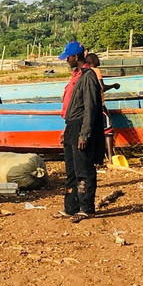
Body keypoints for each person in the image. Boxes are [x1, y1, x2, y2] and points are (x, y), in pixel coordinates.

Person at [57, 41, 105, 222]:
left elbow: (91, 108)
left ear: (75, 57)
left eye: (67, 58)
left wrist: (84, 134)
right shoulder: (76, 77)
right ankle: (71, 207)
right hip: (71, 125)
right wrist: (66, 130)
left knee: (84, 168)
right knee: (71, 170)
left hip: (81, 126)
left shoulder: (88, 77)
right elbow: (70, 106)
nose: (66, 60)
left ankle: (87, 207)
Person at [85, 52, 120, 162]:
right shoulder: (96, 71)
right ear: (92, 61)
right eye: (96, 58)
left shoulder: (85, 72)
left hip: (90, 106)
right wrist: (114, 85)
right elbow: (102, 87)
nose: (98, 60)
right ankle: (110, 157)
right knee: (108, 131)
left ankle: (95, 157)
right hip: (100, 105)